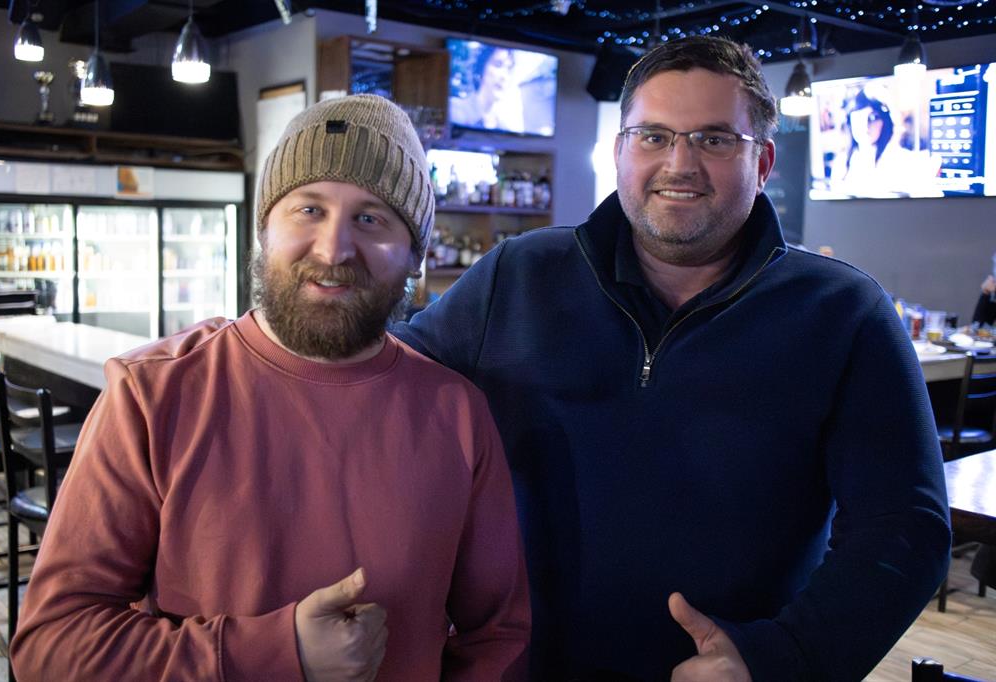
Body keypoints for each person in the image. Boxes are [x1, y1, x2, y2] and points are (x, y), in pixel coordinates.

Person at [394, 36, 950, 680]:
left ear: (763, 163)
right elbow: (383, 383)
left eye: (714, 139)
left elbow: (904, 527)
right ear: (619, 151)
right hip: (518, 668)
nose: (679, 163)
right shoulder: (518, 274)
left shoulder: (844, 312)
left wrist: (780, 658)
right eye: (653, 136)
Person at [9, 94, 530, 681]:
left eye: (371, 218)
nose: (333, 249)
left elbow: (497, 638)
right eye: (308, 209)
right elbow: (52, 647)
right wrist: (276, 653)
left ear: (415, 256)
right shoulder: (152, 396)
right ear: (264, 229)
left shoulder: (457, 414)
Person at [449, 45, 525, 134]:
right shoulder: (454, 109)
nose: (504, 76)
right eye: (498, 65)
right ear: (481, 69)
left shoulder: (504, 127)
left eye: (509, 69)